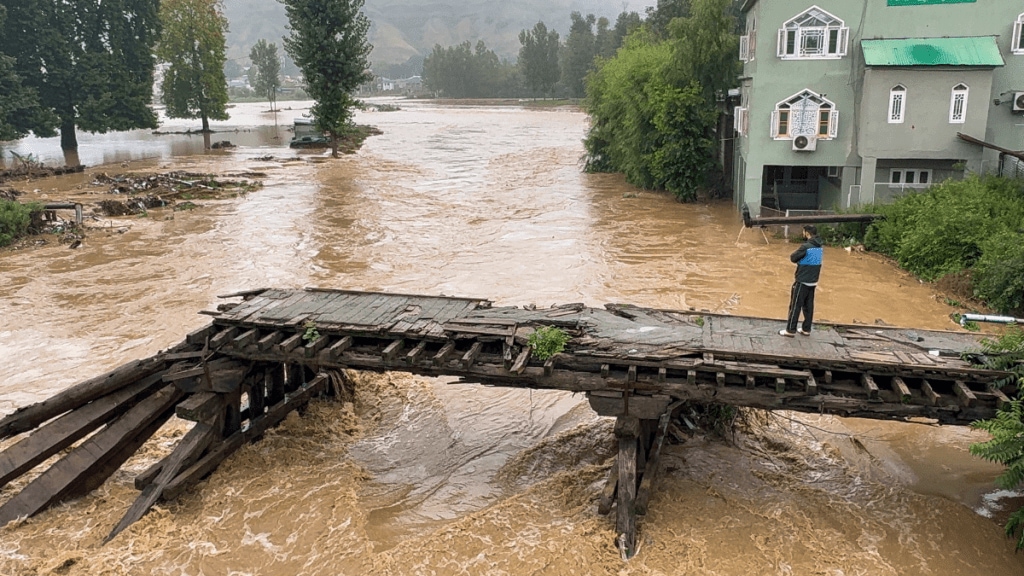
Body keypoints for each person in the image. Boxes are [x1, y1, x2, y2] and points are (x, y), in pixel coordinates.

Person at [780, 224, 822, 337]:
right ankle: (806, 329)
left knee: (795, 306)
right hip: (813, 281)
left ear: (807, 233)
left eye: (803, 232)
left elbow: (793, 258)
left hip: (802, 280)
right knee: (809, 306)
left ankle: (790, 330)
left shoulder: (806, 246)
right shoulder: (819, 246)